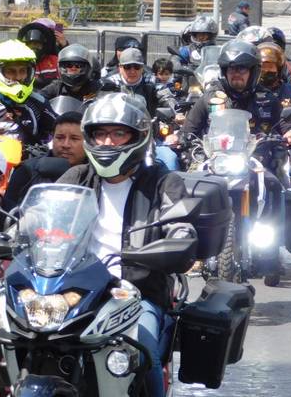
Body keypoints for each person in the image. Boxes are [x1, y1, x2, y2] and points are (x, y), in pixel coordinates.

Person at [57, 93, 199, 397]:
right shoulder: (76, 177)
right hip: (74, 292)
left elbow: (180, 225)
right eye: (100, 133)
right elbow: (39, 219)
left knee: (142, 349)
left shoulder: (163, 182)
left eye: (118, 134)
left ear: (137, 137)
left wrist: (177, 241)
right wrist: (16, 233)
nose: (108, 142)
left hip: (136, 294)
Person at [182, 39, 291, 280]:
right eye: (232, 69)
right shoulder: (211, 97)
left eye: (242, 69)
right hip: (217, 161)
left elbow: (282, 123)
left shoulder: (266, 97)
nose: (237, 74)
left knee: (276, 186)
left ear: (252, 72)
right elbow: (189, 129)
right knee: (191, 188)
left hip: (256, 162)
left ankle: (271, 246)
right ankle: (194, 250)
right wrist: (182, 140)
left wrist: (290, 132)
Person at [3, 112, 86, 211]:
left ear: (88, 141)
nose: (65, 145)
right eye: (60, 138)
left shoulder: (96, 176)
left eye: (74, 139)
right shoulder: (27, 171)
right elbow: (7, 214)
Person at [18, 20, 60, 90]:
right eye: (30, 44)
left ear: (44, 45)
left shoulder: (54, 60)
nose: (34, 47)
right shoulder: (19, 62)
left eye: (37, 44)